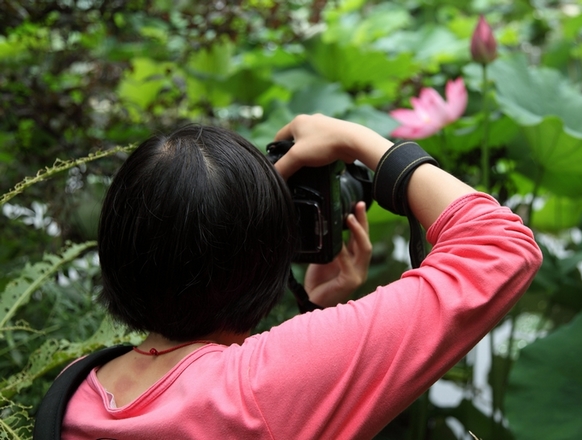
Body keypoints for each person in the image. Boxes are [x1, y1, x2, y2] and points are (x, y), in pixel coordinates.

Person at [62, 114, 542, 439]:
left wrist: (312, 310)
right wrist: (360, 140)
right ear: (272, 253)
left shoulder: (75, 388)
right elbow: (501, 245)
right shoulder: (258, 388)